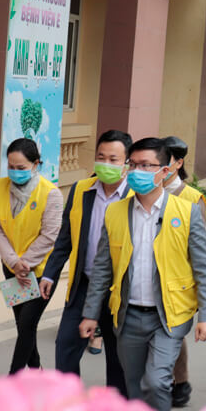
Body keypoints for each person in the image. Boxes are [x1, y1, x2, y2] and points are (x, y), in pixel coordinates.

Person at [80, 137, 206, 411]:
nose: (136, 171)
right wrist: (90, 314)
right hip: (127, 315)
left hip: (168, 316)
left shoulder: (187, 212)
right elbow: (103, 268)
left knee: (156, 382)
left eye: (145, 165)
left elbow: (204, 268)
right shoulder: (115, 212)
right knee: (134, 385)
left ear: (164, 171)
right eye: (132, 165)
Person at [39, 130, 132, 396]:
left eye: (113, 159)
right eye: (101, 157)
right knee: (65, 346)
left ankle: (115, 410)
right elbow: (65, 237)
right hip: (84, 284)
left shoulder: (135, 195)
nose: (106, 164)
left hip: (120, 289)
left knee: (118, 356)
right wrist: (49, 274)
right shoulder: (82, 190)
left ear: (126, 164)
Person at [0, 138, 63, 374]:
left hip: (40, 271)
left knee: (27, 324)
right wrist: (14, 262)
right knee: (22, 326)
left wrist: (26, 263)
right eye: (11, 166)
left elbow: (50, 235)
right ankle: (36, 371)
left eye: (21, 167)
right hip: (11, 267)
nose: (14, 172)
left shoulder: (51, 194)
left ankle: (13, 380)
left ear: (36, 164)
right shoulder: (0, 186)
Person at [160, 135, 206, 407]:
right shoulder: (142, 192)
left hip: (179, 281)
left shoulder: (193, 198)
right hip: (148, 275)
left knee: (173, 334)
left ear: (178, 163)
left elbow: (199, 250)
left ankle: (180, 382)